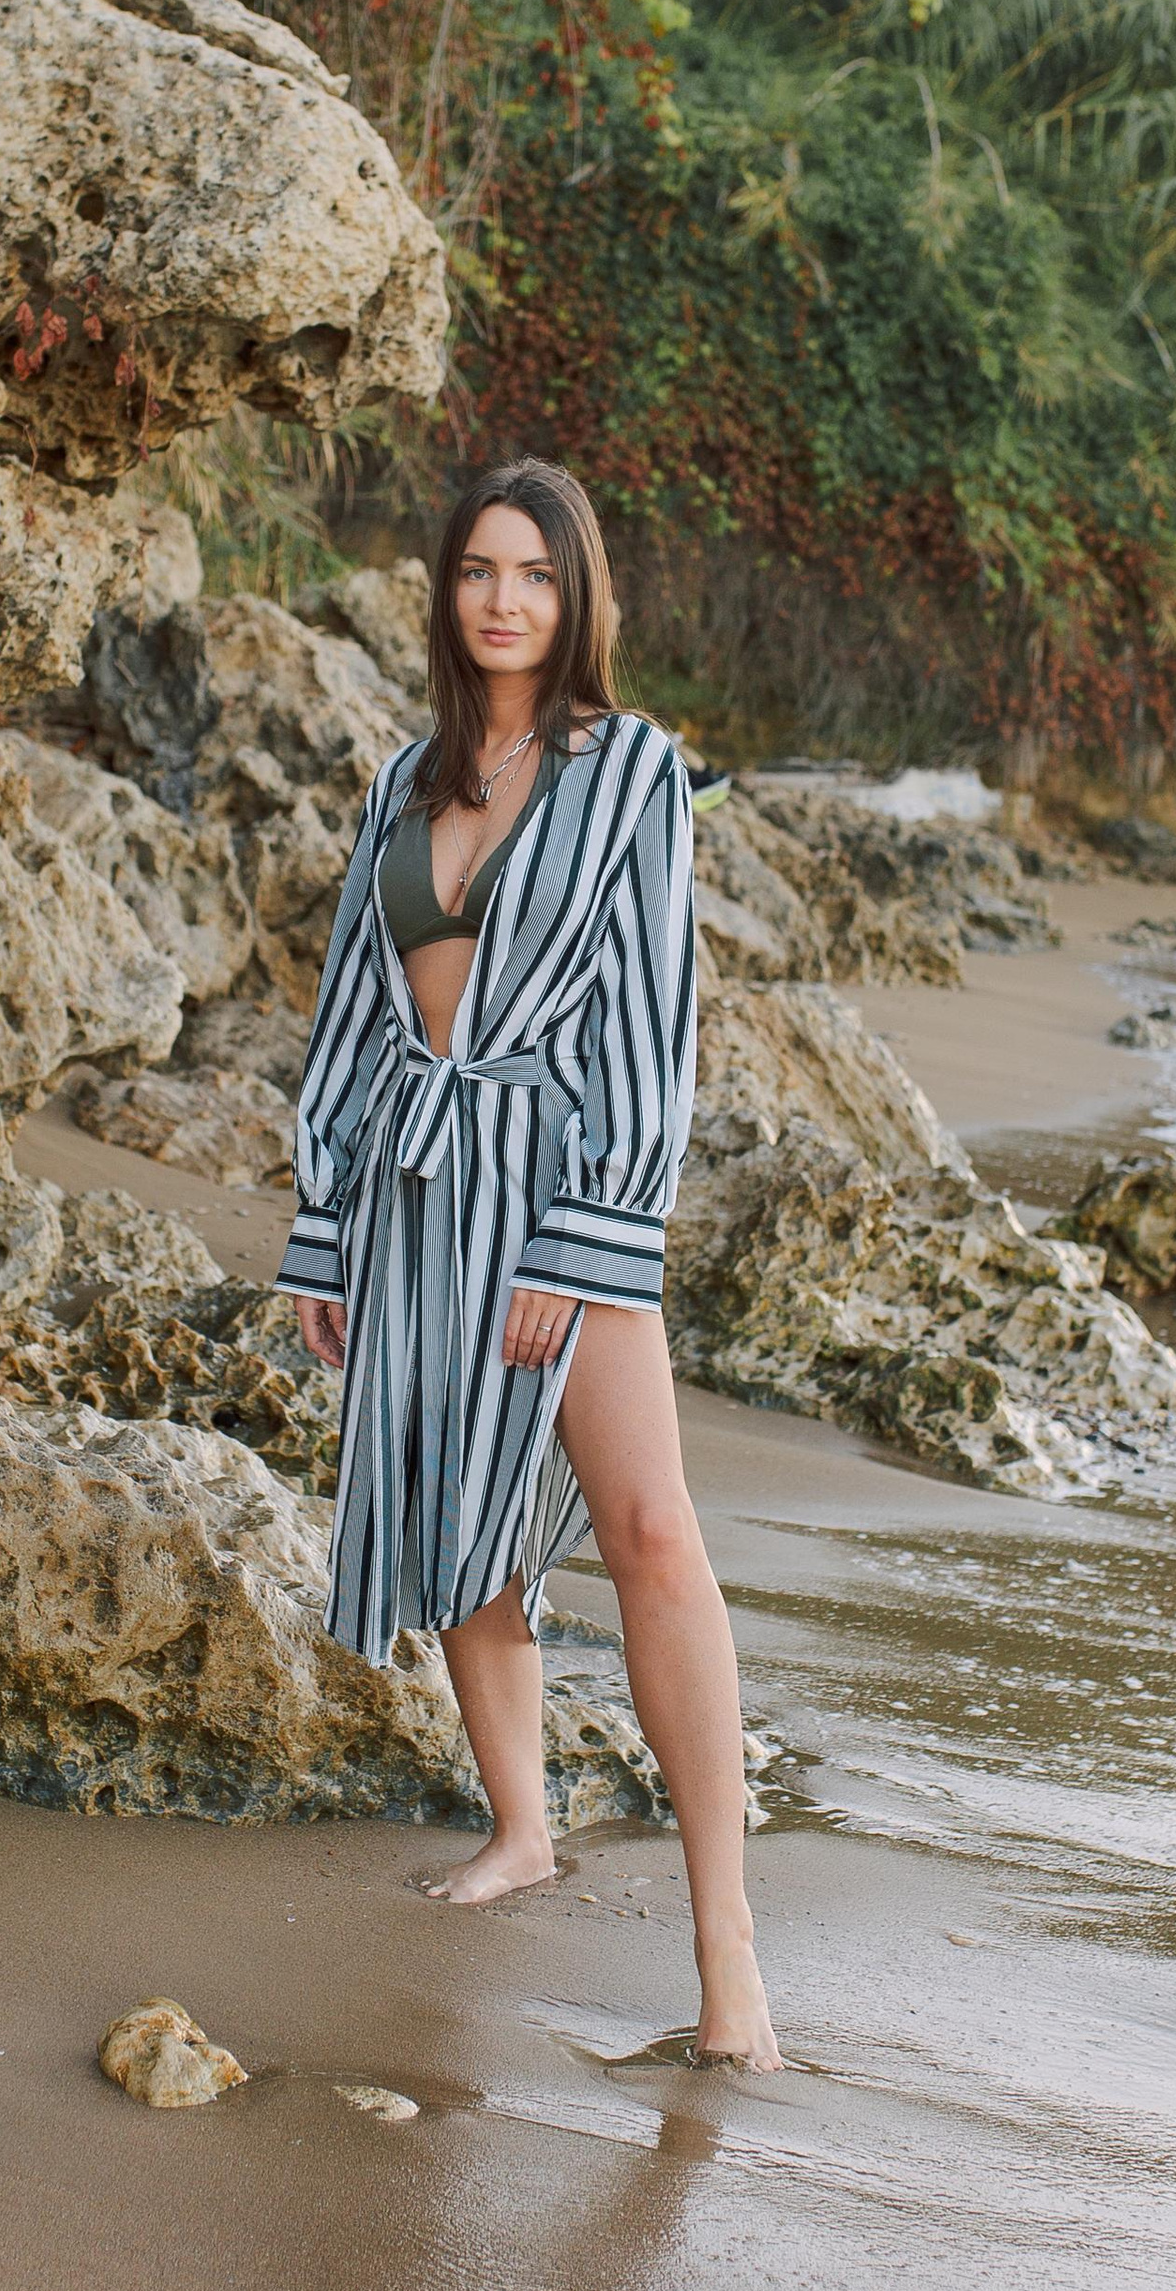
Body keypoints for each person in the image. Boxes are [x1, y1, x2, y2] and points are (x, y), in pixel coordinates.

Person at [271, 456, 781, 2070]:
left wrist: (589, 1230)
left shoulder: (631, 773)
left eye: (537, 575)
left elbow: (649, 1018)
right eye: (480, 570)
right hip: (413, 1183)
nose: (505, 600)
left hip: (556, 1180)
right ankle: (522, 1828)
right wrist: (322, 1226)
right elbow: (352, 1016)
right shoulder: (401, 783)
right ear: (446, 592)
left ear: (578, 598)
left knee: (649, 1532)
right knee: (457, 1521)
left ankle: (726, 1951)